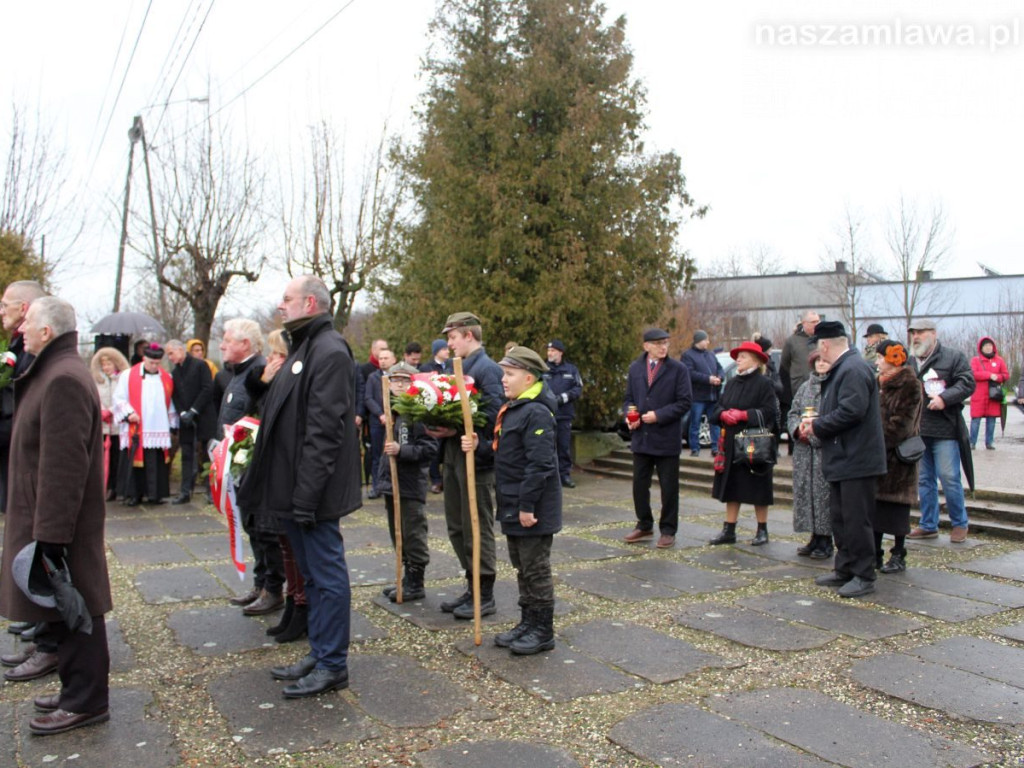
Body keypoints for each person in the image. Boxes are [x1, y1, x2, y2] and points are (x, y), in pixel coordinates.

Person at [237, 275, 361, 698]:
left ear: (310, 302)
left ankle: (333, 664)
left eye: (287, 299)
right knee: (309, 574)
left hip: (313, 493)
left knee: (326, 576)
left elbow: (324, 431)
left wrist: (306, 496)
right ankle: (319, 651)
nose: (280, 305)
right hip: (292, 489)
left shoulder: (329, 350)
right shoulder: (302, 347)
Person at [0, 297, 112, 735]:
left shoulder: (61, 378)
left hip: (60, 521)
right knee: (64, 609)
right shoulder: (52, 371)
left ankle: (86, 700)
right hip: (48, 515)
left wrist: (50, 535)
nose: (20, 328)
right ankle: (76, 692)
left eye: (27, 322)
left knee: (77, 608)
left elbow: (63, 466)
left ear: (47, 332)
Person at [465, 346, 562, 654]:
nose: (503, 379)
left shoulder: (536, 411)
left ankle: (543, 629)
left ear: (529, 377)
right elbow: (506, 455)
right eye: (504, 373)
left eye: (509, 374)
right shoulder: (515, 407)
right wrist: (481, 445)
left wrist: (527, 506)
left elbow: (540, 465)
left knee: (535, 568)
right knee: (522, 566)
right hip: (513, 503)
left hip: (531, 508)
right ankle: (528, 622)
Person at [424, 311, 504, 619]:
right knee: (457, 526)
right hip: (454, 453)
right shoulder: (453, 368)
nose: (449, 343)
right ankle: (471, 585)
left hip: (477, 458)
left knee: (477, 527)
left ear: (469, 335)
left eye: (453, 336)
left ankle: (485, 594)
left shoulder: (487, 369)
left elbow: (495, 416)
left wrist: (464, 435)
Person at [803, 320, 887, 598]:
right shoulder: (845, 368)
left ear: (825, 344)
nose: (818, 353)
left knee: (856, 519)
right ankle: (845, 568)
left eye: (818, 346)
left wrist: (818, 425)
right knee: (840, 519)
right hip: (843, 458)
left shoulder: (852, 369)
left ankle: (864, 574)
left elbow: (852, 412)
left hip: (857, 459)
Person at [243, 329, 309, 643]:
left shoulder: (297, 382)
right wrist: (264, 381)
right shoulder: (273, 381)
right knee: (284, 542)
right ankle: (293, 602)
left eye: (276, 354)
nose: (269, 360)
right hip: (275, 469)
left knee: (295, 546)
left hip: (290, 471)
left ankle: (301, 605)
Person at [218, 319, 282, 616]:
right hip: (240, 461)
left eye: (228, 340)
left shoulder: (258, 372)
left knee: (263, 528)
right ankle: (260, 584)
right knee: (251, 526)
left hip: (256, 463)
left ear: (245, 344)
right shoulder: (237, 372)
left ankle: (272, 587)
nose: (222, 345)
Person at [623, 328, 692, 549]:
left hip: (666, 438)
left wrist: (659, 415)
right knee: (639, 485)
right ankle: (644, 524)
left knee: (669, 488)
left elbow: (684, 402)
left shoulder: (678, 369)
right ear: (646, 346)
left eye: (665, 343)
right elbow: (629, 399)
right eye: (658, 343)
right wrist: (629, 416)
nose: (663, 347)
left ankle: (668, 530)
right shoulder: (635, 368)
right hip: (641, 437)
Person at [907, 319, 974, 543]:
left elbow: (967, 382)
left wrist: (945, 398)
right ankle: (928, 524)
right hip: (919, 429)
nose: (915, 336)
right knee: (924, 480)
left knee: (949, 477)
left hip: (945, 429)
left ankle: (959, 523)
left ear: (933, 334)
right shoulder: (910, 361)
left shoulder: (952, 356)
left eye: (920, 332)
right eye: (913, 333)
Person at [377, 362, 438, 602]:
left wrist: (402, 450)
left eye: (404, 381)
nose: (399, 385)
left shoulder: (419, 413)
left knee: (412, 532)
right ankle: (405, 578)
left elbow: (430, 448)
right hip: (392, 483)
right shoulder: (394, 411)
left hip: (410, 483)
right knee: (397, 531)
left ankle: (416, 580)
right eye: (395, 381)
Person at [708, 341, 778, 546]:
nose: (738, 359)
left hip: (754, 444)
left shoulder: (765, 384)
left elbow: (770, 413)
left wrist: (744, 415)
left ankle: (762, 530)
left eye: (743, 356)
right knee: (731, 486)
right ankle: (729, 529)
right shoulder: (731, 383)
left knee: (759, 488)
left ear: (756, 360)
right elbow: (718, 407)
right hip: (731, 442)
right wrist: (724, 414)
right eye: (737, 357)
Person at [873, 340, 922, 573]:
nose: (876, 362)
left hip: (897, 459)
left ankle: (899, 554)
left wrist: (875, 444)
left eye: (880, 358)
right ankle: (875, 553)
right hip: (877, 458)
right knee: (875, 508)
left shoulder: (909, 385)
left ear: (893, 359)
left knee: (896, 510)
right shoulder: (877, 383)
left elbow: (902, 425)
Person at [0, 279, 47, 513]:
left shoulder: (34, 351)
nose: (1, 312)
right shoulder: (17, 344)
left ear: (23, 308)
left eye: (4, 305)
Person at [112, 343, 177, 506]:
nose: (154, 366)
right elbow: (118, 398)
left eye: (157, 363)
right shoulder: (128, 375)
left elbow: (170, 403)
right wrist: (129, 413)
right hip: (137, 425)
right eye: (151, 363)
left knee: (156, 461)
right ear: (144, 359)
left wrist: (172, 422)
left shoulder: (166, 377)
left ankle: (155, 494)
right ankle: (135, 495)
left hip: (158, 426)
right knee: (135, 460)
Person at [786, 352, 833, 559]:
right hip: (804, 452)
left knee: (824, 495)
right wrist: (797, 430)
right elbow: (793, 412)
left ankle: (826, 539)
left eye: (825, 360)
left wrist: (815, 434)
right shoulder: (805, 386)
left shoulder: (834, 386)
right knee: (806, 494)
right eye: (818, 361)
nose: (821, 364)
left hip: (824, 450)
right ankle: (814, 536)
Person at [166, 340, 215, 504]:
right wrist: (182, 412)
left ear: (180, 350)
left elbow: (207, 388)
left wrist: (194, 410)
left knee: (208, 455)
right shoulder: (176, 371)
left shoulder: (200, 365)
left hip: (203, 417)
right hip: (186, 419)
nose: (170, 357)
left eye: (171, 353)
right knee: (187, 455)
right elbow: (176, 395)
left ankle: (211, 491)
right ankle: (185, 491)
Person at [90, 347, 130, 502]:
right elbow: (94, 397)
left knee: (117, 458)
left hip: (117, 425)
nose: (106, 367)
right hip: (103, 425)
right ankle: (104, 486)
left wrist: (112, 411)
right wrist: (102, 410)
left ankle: (116, 487)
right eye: (103, 364)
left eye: (109, 364)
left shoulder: (121, 379)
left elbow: (123, 398)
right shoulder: (98, 381)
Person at [544, 339, 583, 487]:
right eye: (548, 351)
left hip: (564, 414)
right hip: (546, 414)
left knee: (563, 446)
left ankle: (564, 475)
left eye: (553, 351)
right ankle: (548, 476)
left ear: (560, 352)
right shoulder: (543, 369)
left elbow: (578, 389)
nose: (550, 353)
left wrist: (563, 398)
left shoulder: (571, 370)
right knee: (547, 446)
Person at [780, 310, 820, 453]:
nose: (817, 324)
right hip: (798, 387)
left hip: (820, 387)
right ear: (803, 323)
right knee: (797, 417)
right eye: (813, 322)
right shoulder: (792, 341)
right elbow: (785, 363)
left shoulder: (821, 339)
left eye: (818, 321)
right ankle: (794, 448)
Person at [681, 330, 723, 457]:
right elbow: (689, 373)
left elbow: (720, 368)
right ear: (699, 341)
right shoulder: (688, 355)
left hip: (713, 395)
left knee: (715, 423)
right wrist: (708, 379)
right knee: (695, 423)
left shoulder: (710, 355)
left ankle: (716, 447)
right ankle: (695, 448)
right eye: (706, 340)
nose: (708, 342)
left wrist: (720, 377)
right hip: (697, 396)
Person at [364, 348, 397, 499]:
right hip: (377, 422)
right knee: (377, 454)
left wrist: (394, 414)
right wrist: (381, 414)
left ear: (393, 360)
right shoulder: (372, 378)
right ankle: (377, 487)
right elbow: (368, 398)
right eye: (380, 358)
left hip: (395, 421)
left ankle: (393, 485)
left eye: (386, 358)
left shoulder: (398, 378)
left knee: (394, 453)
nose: (382, 361)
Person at [420, 339, 451, 493]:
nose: (448, 351)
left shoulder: (452, 365)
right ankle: (436, 480)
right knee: (435, 449)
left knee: (447, 448)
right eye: (444, 349)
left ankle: (447, 479)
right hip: (434, 411)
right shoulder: (427, 367)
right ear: (436, 351)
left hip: (450, 411)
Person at [969, 335, 1008, 451]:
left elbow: (1006, 375)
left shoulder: (999, 360)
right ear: (981, 348)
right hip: (978, 396)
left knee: (991, 421)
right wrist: (989, 375)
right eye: (985, 346)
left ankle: (989, 443)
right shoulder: (975, 360)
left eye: (990, 345)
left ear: (993, 347)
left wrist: (998, 377)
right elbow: (973, 374)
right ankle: (972, 442)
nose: (988, 348)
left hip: (994, 396)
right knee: (975, 420)